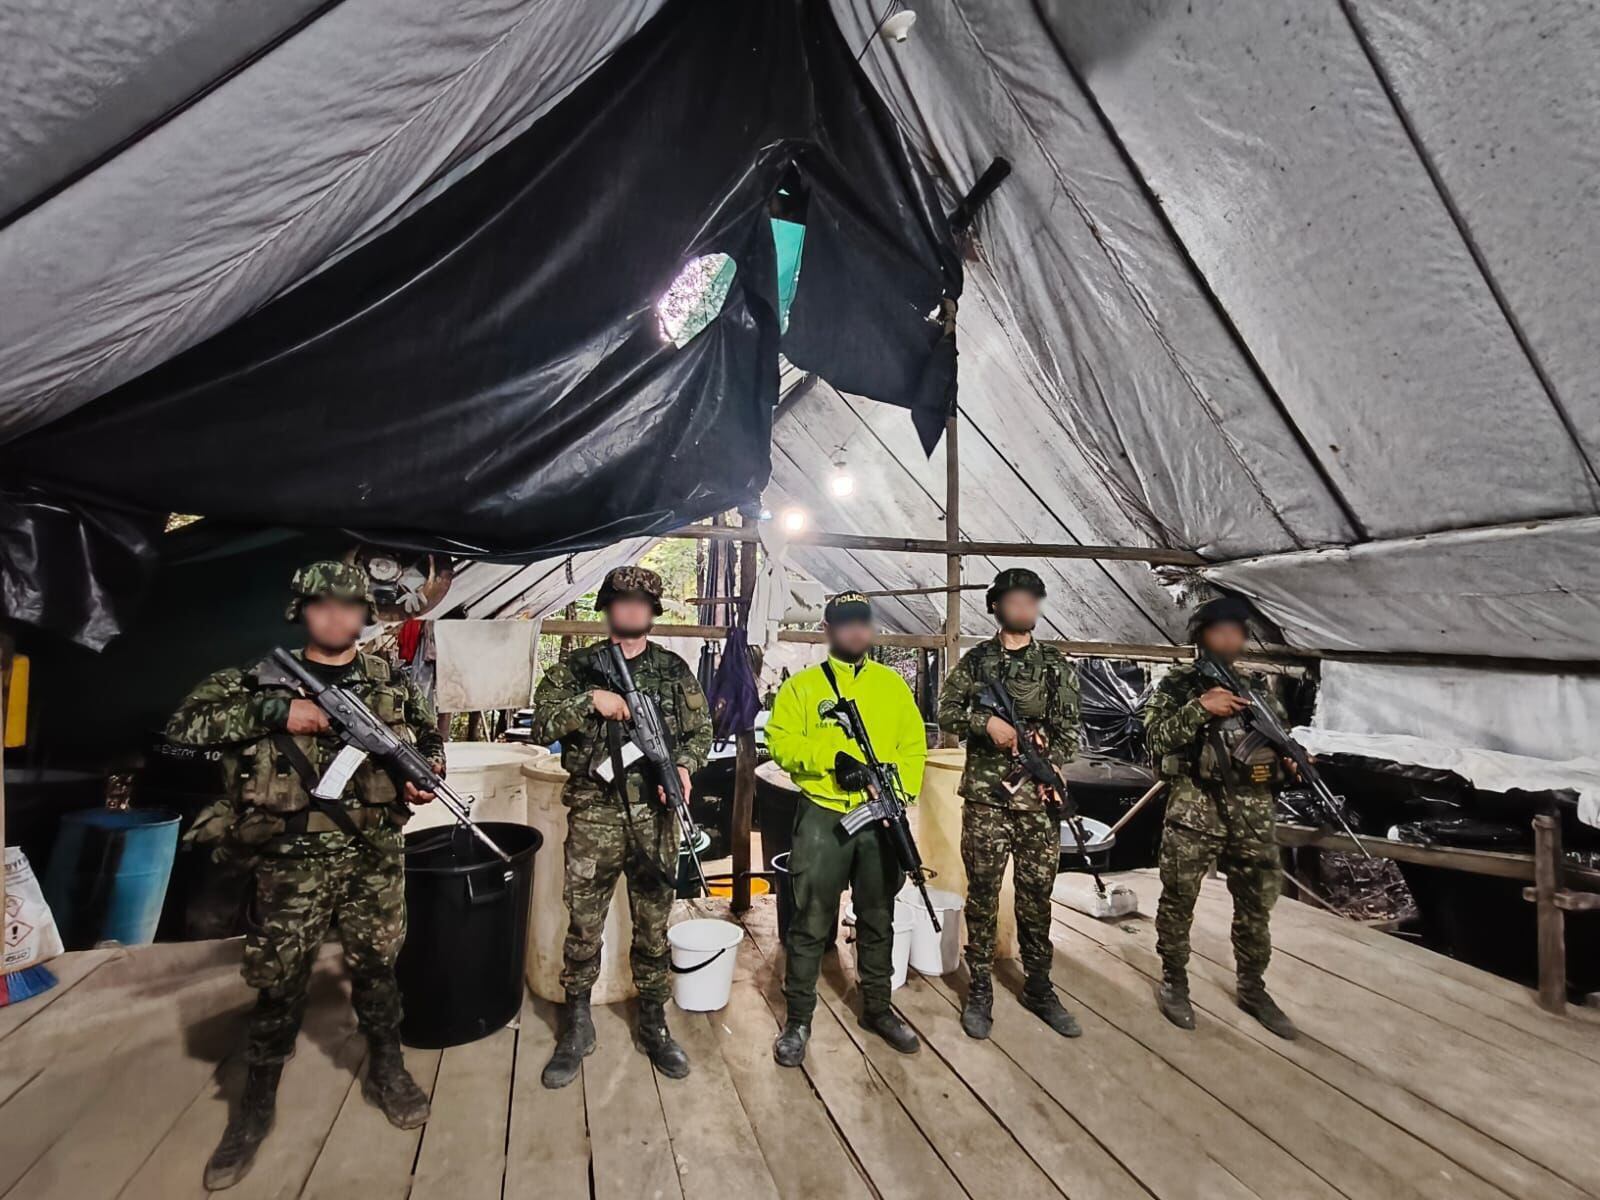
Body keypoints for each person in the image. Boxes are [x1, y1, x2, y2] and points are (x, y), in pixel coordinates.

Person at [167, 561, 440, 1190]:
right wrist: (275, 713)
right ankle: (256, 1103)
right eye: (324, 605)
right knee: (279, 981)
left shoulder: (388, 680)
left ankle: (388, 1066)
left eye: (350, 605)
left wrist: (418, 774)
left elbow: (427, 740)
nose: (338, 615)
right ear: (302, 610)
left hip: (373, 853)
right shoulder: (257, 678)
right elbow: (184, 726)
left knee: (377, 965)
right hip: (291, 859)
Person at [533, 565, 711, 1088]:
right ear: (608, 607)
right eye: (622, 601)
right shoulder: (578, 668)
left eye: (641, 602)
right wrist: (591, 702)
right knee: (584, 926)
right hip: (596, 814)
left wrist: (682, 767)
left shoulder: (674, 670)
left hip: (656, 818)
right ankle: (577, 1022)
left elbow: (701, 732)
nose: (631, 609)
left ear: (651, 612)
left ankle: (653, 1020)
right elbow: (541, 720)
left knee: (654, 925)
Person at [765, 592, 928, 1067]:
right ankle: (798, 1019)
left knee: (878, 914)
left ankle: (877, 1007)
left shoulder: (892, 686)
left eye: (863, 623)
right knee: (811, 918)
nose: (856, 631)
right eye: (845, 623)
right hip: (823, 814)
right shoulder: (804, 688)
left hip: (881, 814)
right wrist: (831, 759)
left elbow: (914, 744)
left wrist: (897, 791)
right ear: (828, 629)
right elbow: (780, 741)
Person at [937, 567, 1082, 1040]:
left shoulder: (1057, 666)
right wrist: (986, 724)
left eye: (1032, 600)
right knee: (982, 893)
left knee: (1037, 896)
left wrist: (1050, 766)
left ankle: (1039, 984)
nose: (1025, 607)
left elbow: (1071, 733)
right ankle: (980, 985)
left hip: (1038, 805)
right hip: (987, 801)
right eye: (1015, 600)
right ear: (997, 606)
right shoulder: (977, 663)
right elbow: (946, 710)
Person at [1145, 593, 1298, 1039]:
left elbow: (1278, 742)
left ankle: (1253, 987)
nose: (1230, 638)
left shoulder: (1257, 691)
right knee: (1179, 900)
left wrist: (1292, 762)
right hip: (1196, 811)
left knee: (1256, 905)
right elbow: (1155, 737)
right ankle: (1175, 981)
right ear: (1201, 636)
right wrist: (1199, 709)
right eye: (1220, 630)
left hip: (1253, 813)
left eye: (1237, 631)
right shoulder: (1177, 686)